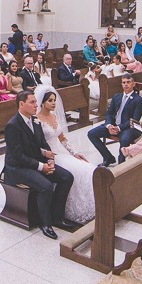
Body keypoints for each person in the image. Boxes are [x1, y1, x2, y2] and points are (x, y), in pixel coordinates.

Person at [2, 91, 74, 239]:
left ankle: (57, 216)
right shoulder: (13, 125)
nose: (36, 105)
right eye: (32, 102)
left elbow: (42, 143)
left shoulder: (35, 120)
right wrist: (42, 167)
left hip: (35, 161)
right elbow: (18, 156)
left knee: (67, 177)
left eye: (36, 102)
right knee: (45, 186)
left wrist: (48, 158)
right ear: (21, 104)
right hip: (17, 168)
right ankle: (45, 223)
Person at [33, 85, 96, 223]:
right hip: (49, 156)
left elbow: (62, 139)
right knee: (75, 172)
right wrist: (47, 154)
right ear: (42, 102)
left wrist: (75, 153)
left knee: (87, 167)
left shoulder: (54, 116)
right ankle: (63, 212)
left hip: (61, 154)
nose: (53, 103)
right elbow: (36, 144)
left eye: (54, 100)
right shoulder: (36, 120)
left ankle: (89, 205)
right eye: (50, 100)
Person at [86, 73, 142, 167]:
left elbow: (134, 120)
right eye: (124, 82)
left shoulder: (138, 100)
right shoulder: (117, 96)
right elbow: (109, 113)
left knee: (124, 139)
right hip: (113, 125)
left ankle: (121, 164)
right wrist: (109, 125)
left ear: (133, 84)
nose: (126, 84)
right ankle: (108, 157)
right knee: (91, 133)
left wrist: (119, 128)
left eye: (128, 82)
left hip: (129, 128)